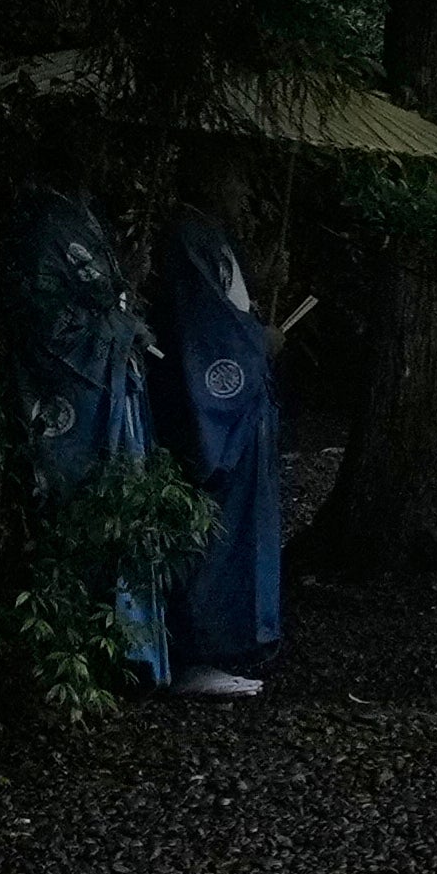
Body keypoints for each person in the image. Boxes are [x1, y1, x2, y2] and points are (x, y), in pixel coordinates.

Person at [0, 171, 166, 681]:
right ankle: (87, 651)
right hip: (80, 389)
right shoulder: (53, 222)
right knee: (84, 507)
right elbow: (55, 319)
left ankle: (126, 649)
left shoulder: (81, 211)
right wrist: (119, 328)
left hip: (109, 383)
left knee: (122, 507)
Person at [151, 142, 285, 695]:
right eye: (237, 180)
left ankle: (229, 645)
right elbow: (207, 334)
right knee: (213, 526)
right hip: (213, 418)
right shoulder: (188, 238)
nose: (246, 194)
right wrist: (260, 342)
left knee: (238, 527)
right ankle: (199, 650)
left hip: (241, 415)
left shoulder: (213, 238)